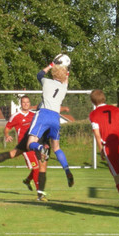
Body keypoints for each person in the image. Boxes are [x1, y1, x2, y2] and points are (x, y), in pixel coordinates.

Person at [26, 57, 74, 187]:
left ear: (53, 73)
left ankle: (41, 148)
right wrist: (67, 69)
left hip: (44, 114)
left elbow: (39, 74)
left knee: (30, 143)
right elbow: (66, 79)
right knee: (57, 147)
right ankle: (67, 170)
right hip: (55, 117)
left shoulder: (46, 82)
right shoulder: (64, 88)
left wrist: (52, 64)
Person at [0, 95, 41, 193]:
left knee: (11, 155)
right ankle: (40, 194)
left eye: (27, 102)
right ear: (21, 104)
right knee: (36, 167)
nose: (26, 104)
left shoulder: (33, 115)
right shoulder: (16, 116)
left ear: (30, 103)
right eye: (24, 102)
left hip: (34, 144)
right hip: (24, 146)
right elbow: (7, 128)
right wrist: (7, 135)